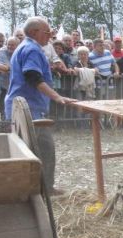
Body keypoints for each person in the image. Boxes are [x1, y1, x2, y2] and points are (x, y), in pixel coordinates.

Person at [5, 17, 77, 194]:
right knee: (44, 148)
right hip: (29, 109)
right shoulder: (32, 49)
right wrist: (57, 97)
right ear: (34, 32)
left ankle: (30, 189)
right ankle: (45, 188)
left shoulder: (25, 47)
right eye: (47, 32)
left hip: (20, 107)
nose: (50, 36)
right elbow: (33, 77)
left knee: (25, 150)